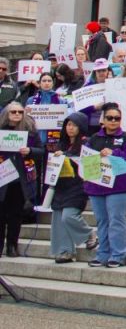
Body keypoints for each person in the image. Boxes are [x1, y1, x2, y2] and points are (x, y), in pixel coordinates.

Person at [85, 102, 126, 268]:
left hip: (119, 186)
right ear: (103, 119)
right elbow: (86, 158)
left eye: (117, 118)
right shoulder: (94, 138)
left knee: (117, 220)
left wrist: (114, 153)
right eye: (110, 118)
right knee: (102, 221)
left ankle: (119, 254)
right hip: (97, 185)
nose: (114, 121)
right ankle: (103, 254)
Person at [49, 112, 97, 263]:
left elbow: (88, 162)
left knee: (69, 216)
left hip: (78, 185)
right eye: (68, 125)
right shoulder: (61, 143)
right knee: (58, 219)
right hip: (61, 184)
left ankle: (89, 234)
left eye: (74, 125)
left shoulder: (86, 142)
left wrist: (65, 155)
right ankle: (65, 251)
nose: (70, 128)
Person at [0, 103, 43, 256]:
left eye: (20, 111)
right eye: (13, 112)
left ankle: (12, 245)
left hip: (21, 179)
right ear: (7, 113)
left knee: (15, 214)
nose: (17, 114)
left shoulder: (30, 131)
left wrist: (30, 151)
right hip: (2, 178)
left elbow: (41, 151)